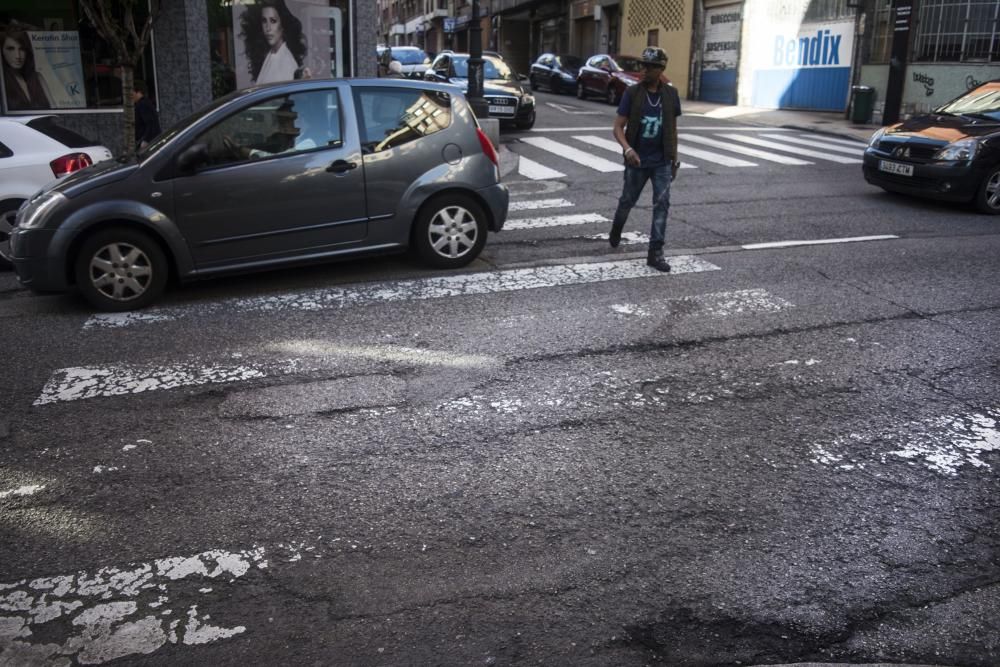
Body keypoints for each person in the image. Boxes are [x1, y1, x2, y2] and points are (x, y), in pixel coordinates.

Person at [609, 46, 681, 273]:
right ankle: (616, 229)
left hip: (661, 162)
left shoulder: (671, 95)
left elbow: (673, 129)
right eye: (643, 65)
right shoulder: (633, 93)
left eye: (650, 67)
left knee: (662, 205)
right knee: (627, 201)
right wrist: (628, 149)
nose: (644, 70)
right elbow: (618, 127)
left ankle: (655, 253)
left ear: (661, 69)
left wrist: (674, 159)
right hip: (637, 160)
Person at [239, 0, 307, 85]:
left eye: (273, 21)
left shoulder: (286, 63)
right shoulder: (271, 54)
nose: (268, 28)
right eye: (264, 21)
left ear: (283, 25)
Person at [1, 23, 52, 110]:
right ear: (1, 51)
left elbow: (56, 112)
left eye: (22, 49)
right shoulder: (2, 82)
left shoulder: (37, 78)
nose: (18, 56)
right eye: (10, 49)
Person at [132, 79, 161, 151]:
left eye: (132, 93)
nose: (131, 96)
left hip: (147, 142)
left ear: (138, 92)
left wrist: (145, 140)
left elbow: (150, 123)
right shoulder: (144, 103)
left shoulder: (143, 104)